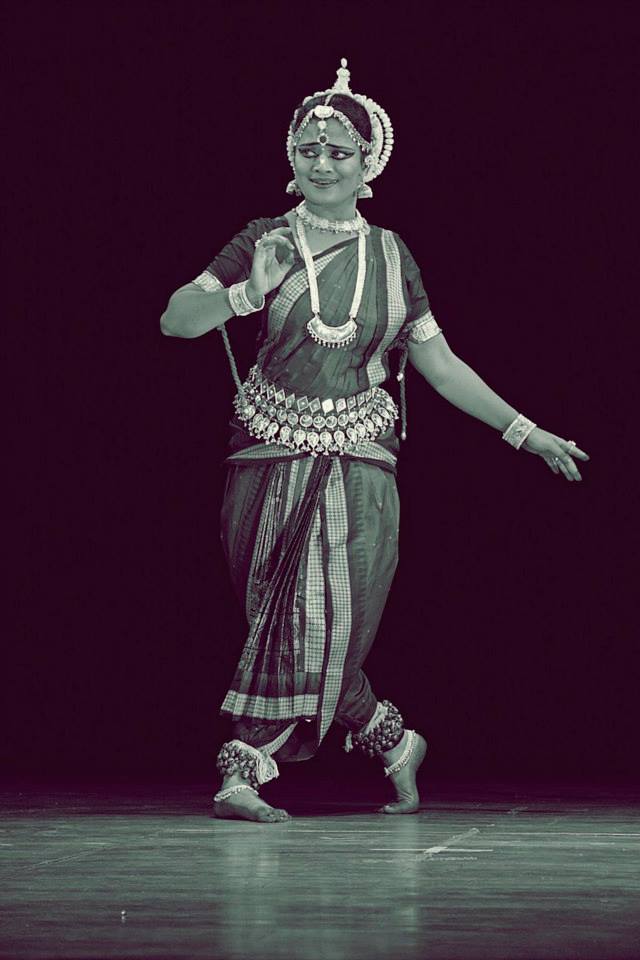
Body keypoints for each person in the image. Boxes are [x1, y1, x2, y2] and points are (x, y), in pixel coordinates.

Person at [160, 59, 590, 824]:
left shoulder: (392, 256)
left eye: (339, 152)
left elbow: (439, 364)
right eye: (308, 150)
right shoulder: (263, 239)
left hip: (358, 456)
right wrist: (249, 292)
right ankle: (391, 739)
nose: (322, 164)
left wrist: (526, 432)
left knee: (323, 619)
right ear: (291, 158)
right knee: (283, 618)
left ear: (368, 164)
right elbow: (176, 320)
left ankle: (244, 768)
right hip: (265, 450)